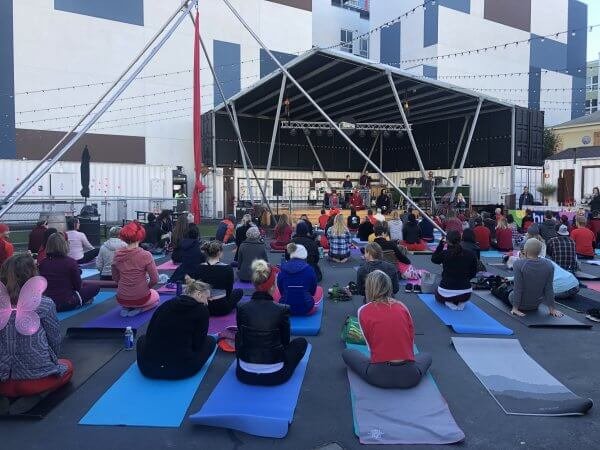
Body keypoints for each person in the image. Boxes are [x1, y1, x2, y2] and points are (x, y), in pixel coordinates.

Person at [0, 254, 73, 407]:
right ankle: (39, 395)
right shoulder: (44, 304)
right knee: (67, 366)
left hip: (3, 382)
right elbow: (54, 340)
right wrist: (53, 362)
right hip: (35, 381)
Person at [343, 270, 431, 389]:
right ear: (389, 286)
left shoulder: (363, 310)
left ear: (369, 288)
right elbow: (410, 341)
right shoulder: (402, 307)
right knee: (427, 356)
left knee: (348, 353)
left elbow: (370, 347)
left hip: (378, 376)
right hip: (410, 376)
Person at [235, 260, 308, 386]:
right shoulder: (282, 309)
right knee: (301, 342)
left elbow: (241, 338)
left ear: (254, 284)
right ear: (273, 286)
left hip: (244, 373)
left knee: (238, 335)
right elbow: (285, 342)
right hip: (275, 375)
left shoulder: (242, 307)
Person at [136, 276, 216, 380]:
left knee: (142, 339)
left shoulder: (165, 305)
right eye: (207, 298)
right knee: (211, 341)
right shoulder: (201, 310)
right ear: (198, 294)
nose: (207, 303)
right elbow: (198, 344)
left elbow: (150, 333)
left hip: (148, 368)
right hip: (181, 370)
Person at [497, 239, 562, 318]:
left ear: (525, 249)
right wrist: (552, 309)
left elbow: (518, 288)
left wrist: (515, 308)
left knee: (502, 291)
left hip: (517, 303)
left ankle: (497, 288)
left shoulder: (518, 264)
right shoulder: (549, 264)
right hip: (536, 304)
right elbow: (549, 289)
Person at [38, 233, 100, 312]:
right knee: (95, 287)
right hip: (67, 301)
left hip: (48, 303)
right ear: (64, 245)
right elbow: (78, 286)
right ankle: (82, 301)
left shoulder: (43, 263)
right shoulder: (70, 262)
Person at [112, 222, 160, 317]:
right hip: (140, 297)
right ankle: (140, 309)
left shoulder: (117, 255)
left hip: (121, 297)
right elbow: (155, 279)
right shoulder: (146, 255)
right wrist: (147, 287)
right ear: (140, 237)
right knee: (156, 297)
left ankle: (127, 307)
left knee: (131, 299)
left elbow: (115, 278)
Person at [189, 241, 244, 317]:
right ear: (219, 253)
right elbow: (229, 290)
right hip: (221, 307)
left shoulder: (199, 267)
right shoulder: (227, 268)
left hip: (204, 307)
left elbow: (196, 289)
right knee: (239, 291)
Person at [431, 231, 478, 310]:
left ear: (447, 241)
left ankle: (448, 301)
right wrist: (465, 280)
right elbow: (473, 273)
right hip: (465, 293)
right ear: (460, 240)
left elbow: (434, 259)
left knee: (436, 293)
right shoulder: (471, 254)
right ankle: (461, 302)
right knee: (460, 293)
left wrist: (441, 245)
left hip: (446, 291)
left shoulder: (445, 253)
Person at [278, 243, 322, 316]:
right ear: (304, 255)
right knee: (319, 290)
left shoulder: (282, 268)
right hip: (306, 307)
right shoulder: (309, 269)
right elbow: (312, 291)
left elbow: (281, 290)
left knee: (278, 293)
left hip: (285, 307)